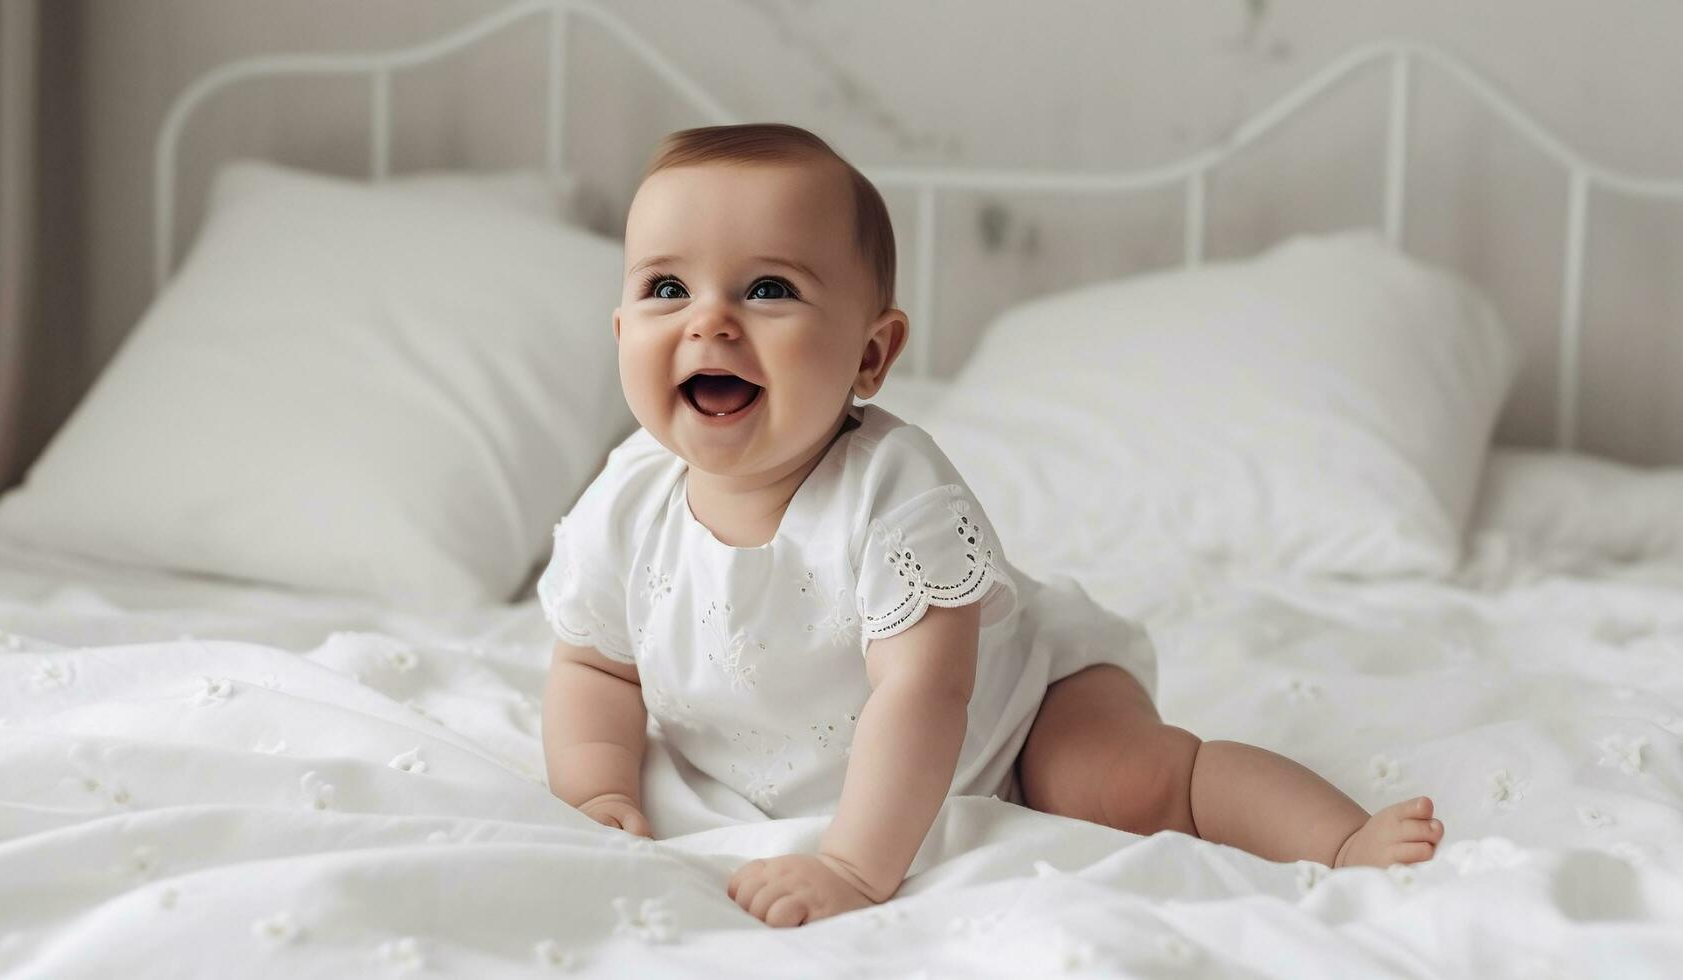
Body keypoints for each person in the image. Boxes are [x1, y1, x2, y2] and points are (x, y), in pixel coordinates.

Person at [539, 122, 1445, 928]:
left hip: (1016, 712)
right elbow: (594, 664)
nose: (710, 323)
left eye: (768, 288)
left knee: (1122, 783)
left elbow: (922, 696)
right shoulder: (627, 496)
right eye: (666, 287)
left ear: (870, 354)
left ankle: (1340, 840)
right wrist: (597, 787)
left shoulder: (895, 496)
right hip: (803, 752)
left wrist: (853, 869)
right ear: (621, 330)